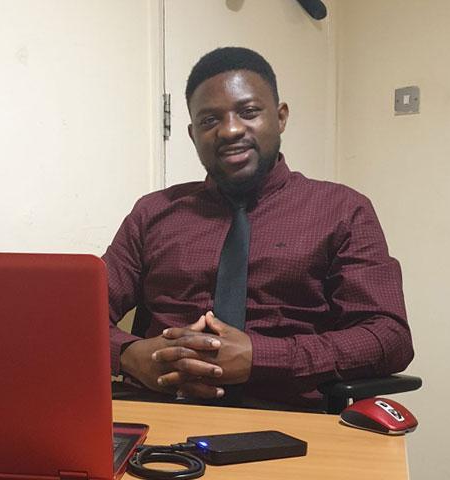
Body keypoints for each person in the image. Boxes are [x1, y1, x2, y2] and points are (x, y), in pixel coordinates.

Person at [104, 47, 414, 411]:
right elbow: (76, 317)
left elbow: (389, 338)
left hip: (290, 420)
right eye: (209, 120)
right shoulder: (153, 212)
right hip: (158, 414)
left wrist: (261, 357)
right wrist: (127, 355)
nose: (230, 129)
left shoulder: (342, 210)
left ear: (280, 117)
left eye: (248, 112)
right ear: (192, 134)